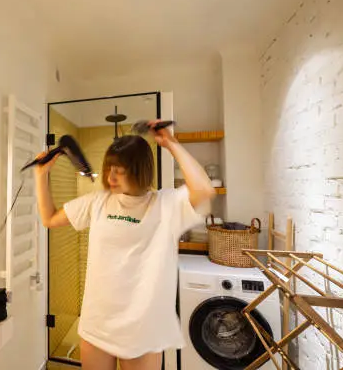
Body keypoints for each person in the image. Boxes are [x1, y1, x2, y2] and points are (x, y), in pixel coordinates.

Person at [34, 120, 216, 370]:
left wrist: (171, 143)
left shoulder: (165, 204)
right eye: (109, 169)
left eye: (118, 171)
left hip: (141, 331)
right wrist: (41, 176)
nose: (109, 177)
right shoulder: (98, 201)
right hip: (97, 325)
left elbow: (204, 190)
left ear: (138, 170)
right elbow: (50, 218)